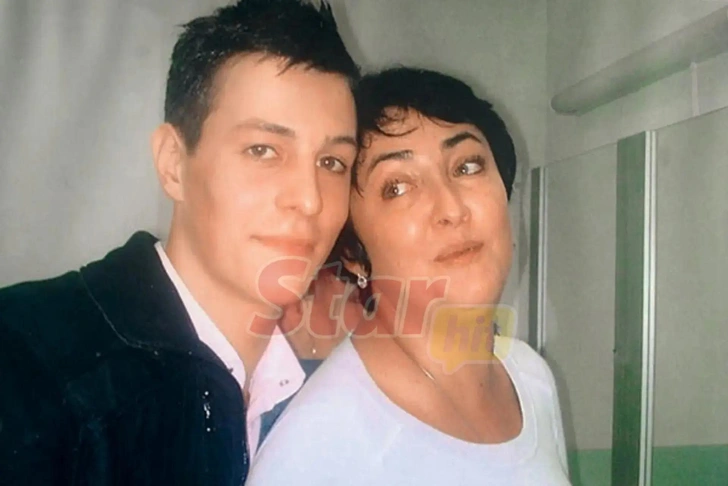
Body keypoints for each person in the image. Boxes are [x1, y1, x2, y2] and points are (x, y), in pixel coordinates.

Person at [0, 1, 359, 484]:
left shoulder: (322, 403)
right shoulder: (26, 363)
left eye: (333, 163)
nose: (310, 199)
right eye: (263, 150)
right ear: (173, 163)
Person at [246, 67, 571, 485]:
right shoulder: (318, 449)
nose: (451, 208)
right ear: (353, 254)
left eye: (467, 166)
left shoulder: (531, 379)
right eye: (397, 187)